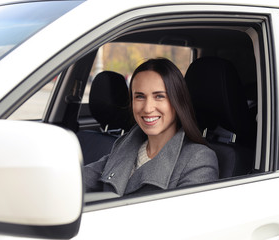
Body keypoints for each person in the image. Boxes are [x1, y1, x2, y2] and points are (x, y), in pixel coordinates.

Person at [84, 58, 218, 196]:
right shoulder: (125, 145)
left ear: (177, 101)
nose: (147, 109)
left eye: (159, 96)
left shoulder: (198, 159)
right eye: (140, 97)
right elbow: (81, 180)